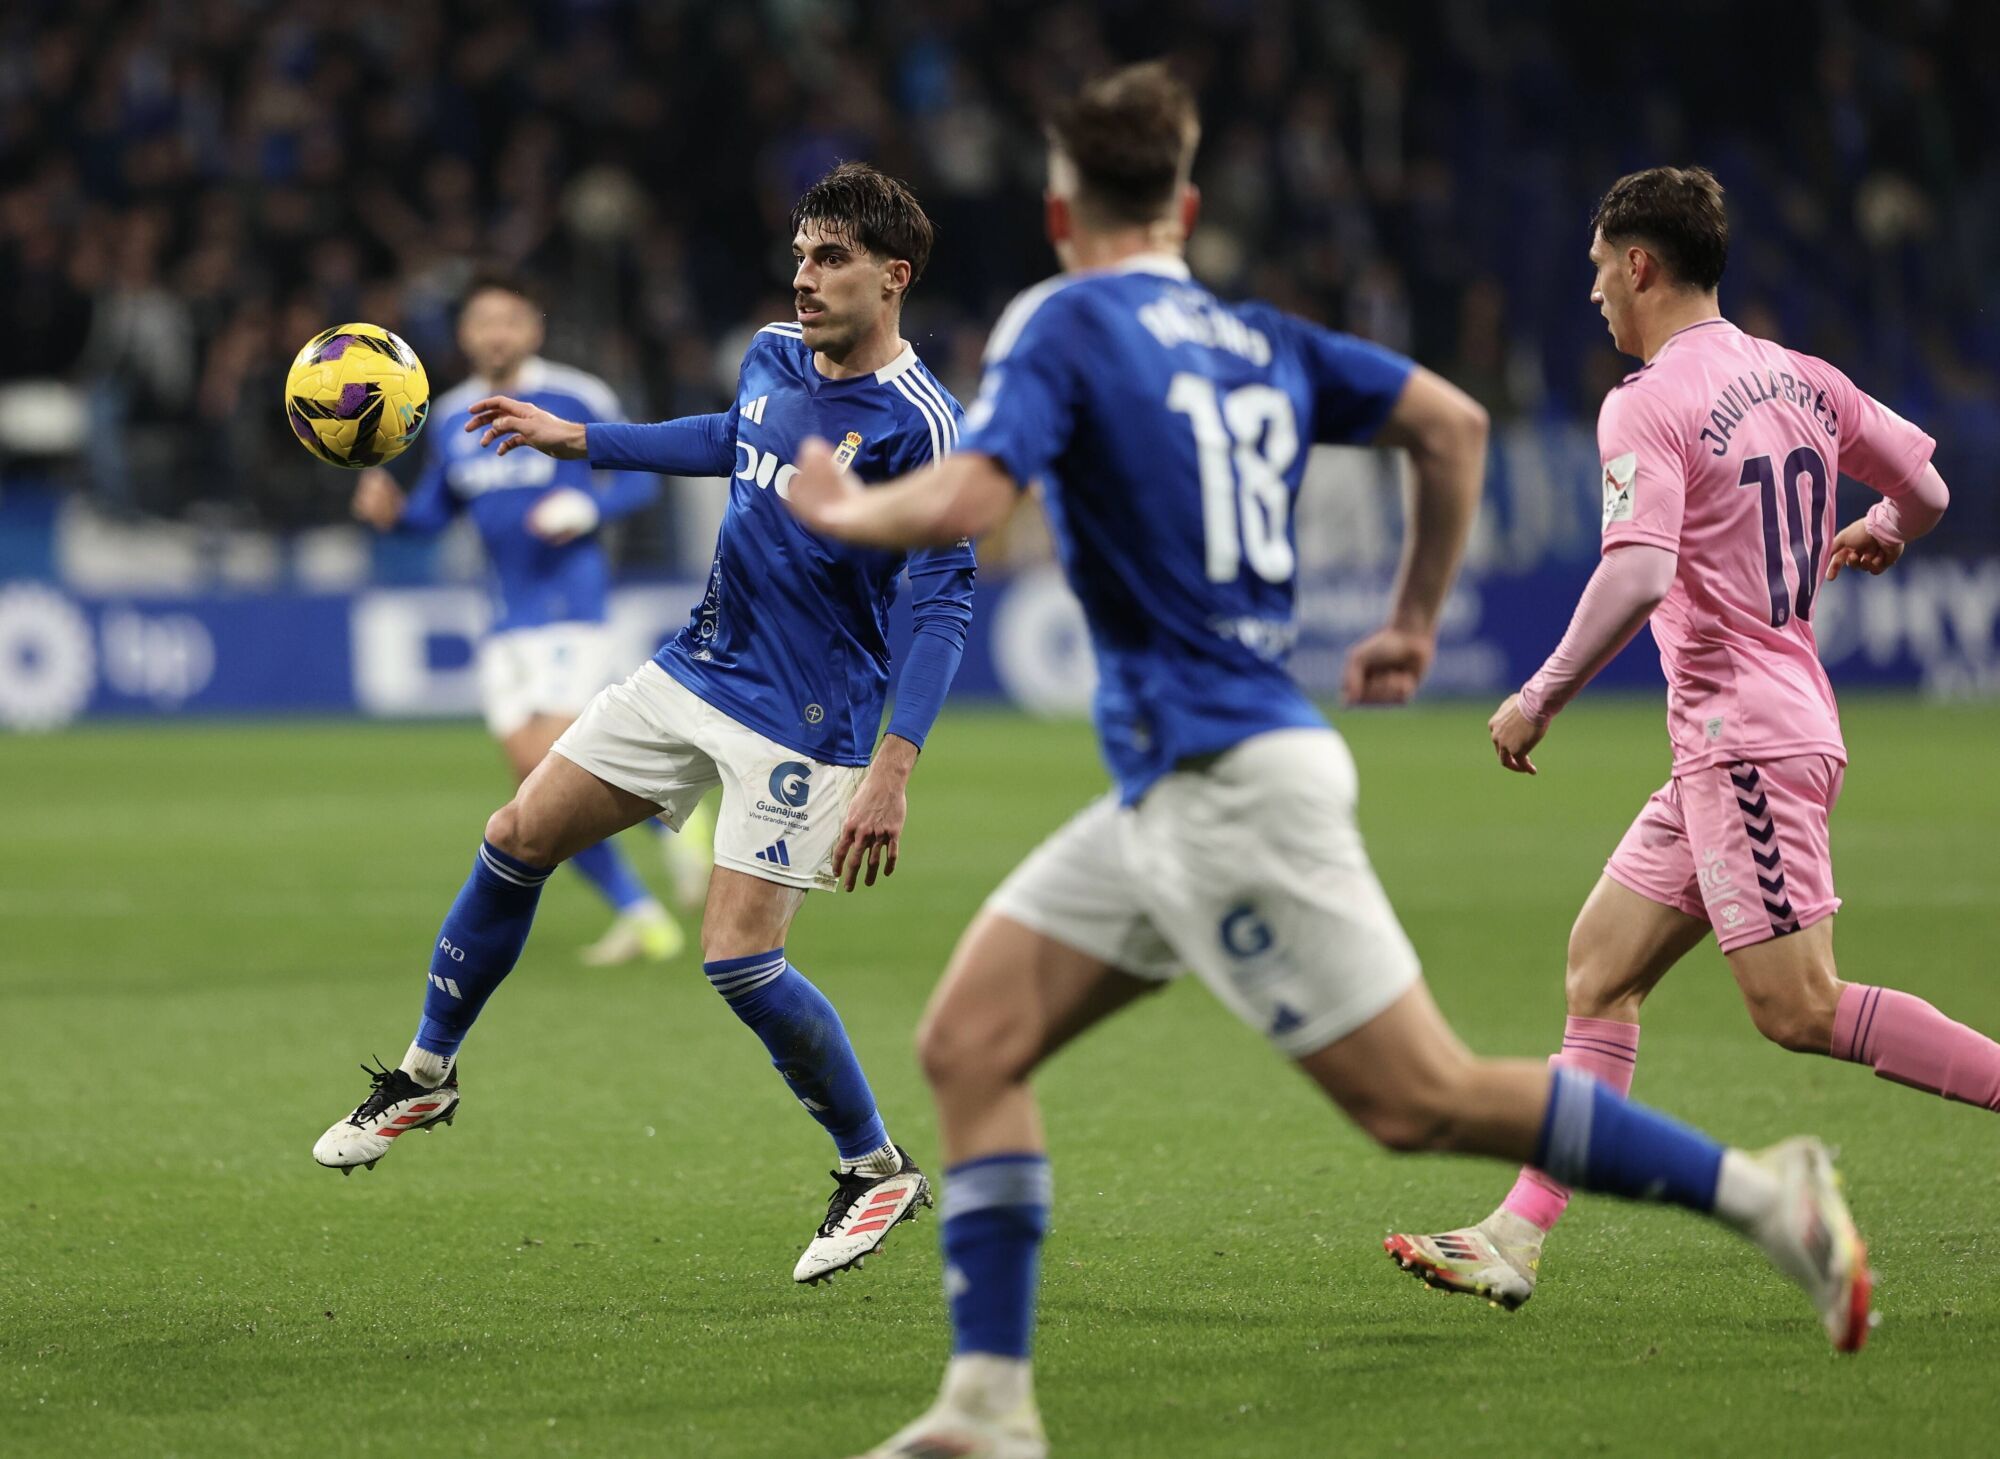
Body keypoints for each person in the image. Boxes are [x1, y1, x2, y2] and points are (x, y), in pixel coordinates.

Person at [782, 69, 1872, 1459]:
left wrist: (844, 501)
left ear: (1060, 210)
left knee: (1421, 1098)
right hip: (1177, 786)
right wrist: (1412, 618)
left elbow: (978, 499)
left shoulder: (1062, 316)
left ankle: (1762, 1191)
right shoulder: (1256, 335)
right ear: (1184, 206)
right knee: (968, 1042)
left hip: (1230, 786)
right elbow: (1455, 426)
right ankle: (988, 1404)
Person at [316, 164, 976, 1286]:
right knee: (517, 831)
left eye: (830, 260)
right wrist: (574, 438)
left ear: (892, 278)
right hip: (693, 665)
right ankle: (427, 1075)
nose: (802, 276)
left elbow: (944, 595)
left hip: (805, 719)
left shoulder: (920, 424)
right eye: (801, 252)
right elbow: (729, 434)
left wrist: (892, 768)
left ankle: (876, 1168)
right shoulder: (774, 352)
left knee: (738, 958)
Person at [1384, 165, 1985, 1310]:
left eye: (1600, 270)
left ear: (1641, 264)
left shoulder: (1644, 399)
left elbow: (1638, 571)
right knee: (1598, 968)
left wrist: (1539, 694)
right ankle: (1516, 1234)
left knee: (1797, 1008)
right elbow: (1926, 486)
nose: (1595, 295)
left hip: (1744, 740)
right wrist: (1876, 529)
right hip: (1742, 738)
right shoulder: (1796, 375)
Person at [352, 273, 701, 966]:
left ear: (533, 330)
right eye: (483, 322)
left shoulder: (577, 396)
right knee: (532, 786)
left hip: (572, 608)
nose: (497, 334)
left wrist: (587, 510)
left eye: (510, 320)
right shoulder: (449, 414)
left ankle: (677, 831)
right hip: (504, 617)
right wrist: (394, 516)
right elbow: (437, 510)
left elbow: (641, 474)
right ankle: (644, 915)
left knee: (556, 768)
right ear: (465, 336)